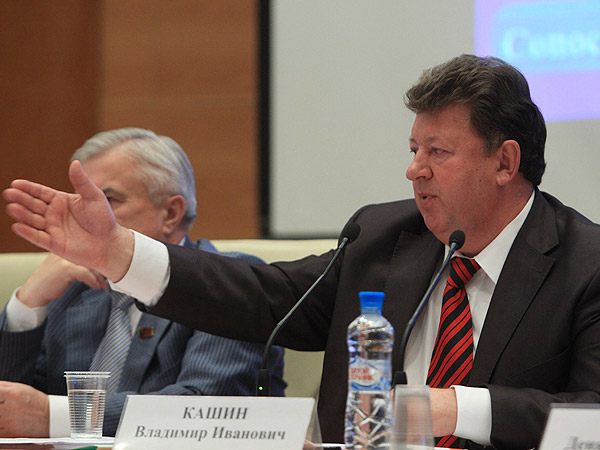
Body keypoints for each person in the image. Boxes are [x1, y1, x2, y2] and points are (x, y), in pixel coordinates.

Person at [4, 55, 600, 449]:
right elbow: (265, 296)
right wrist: (118, 252)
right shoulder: (383, 236)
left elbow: (593, 415)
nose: (414, 169)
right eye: (413, 149)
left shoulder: (585, 264)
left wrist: (453, 409)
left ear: (505, 161)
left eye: (437, 152)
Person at [0, 127, 285, 438]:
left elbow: (207, 408)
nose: (86, 218)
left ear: (171, 213)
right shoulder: (75, 291)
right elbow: (13, 411)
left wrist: (55, 416)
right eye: (81, 203)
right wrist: (27, 304)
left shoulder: (227, 284)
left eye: (107, 200)